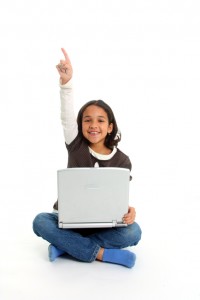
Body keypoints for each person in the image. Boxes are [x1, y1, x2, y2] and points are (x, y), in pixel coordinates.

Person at [33, 48, 142, 268]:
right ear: (80, 125)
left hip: (104, 223)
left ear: (110, 127)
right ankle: (103, 254)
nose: (93, 125)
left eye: (101, 121)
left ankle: (65, 246)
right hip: (68, 220)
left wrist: (129, 212)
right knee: (40, 221)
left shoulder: (123, 161)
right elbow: (66, 116)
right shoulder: (76, 146)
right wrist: (66, 83)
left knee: (134, 231)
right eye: (87, 120)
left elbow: (115, 197)